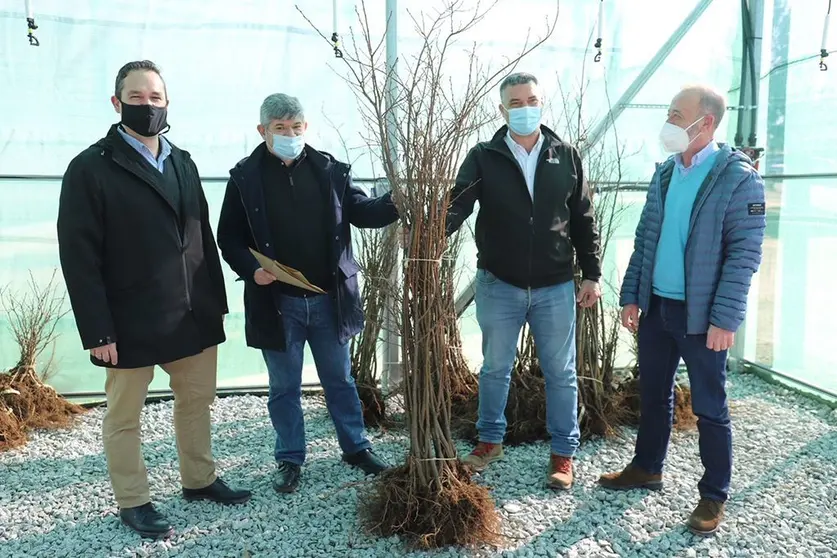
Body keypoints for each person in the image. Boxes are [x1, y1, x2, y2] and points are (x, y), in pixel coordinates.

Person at [56, 60, 251, 539]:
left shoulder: (182, 160)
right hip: (128, 320)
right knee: (124, 417)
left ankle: (199, 480)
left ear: (167, 102)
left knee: (196, 402)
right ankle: (134, 501)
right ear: (116, 101)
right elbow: (79, 257)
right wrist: (98, 331)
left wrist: (215, 304)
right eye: (137, 97)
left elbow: (200, 235)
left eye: (156, 98)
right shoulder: (90, 168)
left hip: (192, 313)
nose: (148, 105)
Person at [598, 85, 767, 536]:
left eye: (677, 114)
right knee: (653, 394)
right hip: (657, 308)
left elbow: (744, 255)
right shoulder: (666, 173)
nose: (669, 122)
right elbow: (646, 238)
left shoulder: (738, 178)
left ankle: (713, 496)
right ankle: (647, 467)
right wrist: (632, 295)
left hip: (702, 317)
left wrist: (724, 319)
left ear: (705, 123)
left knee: (711, 407)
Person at [216, 93, 399, 494]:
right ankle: (290, 458)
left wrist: (397, 201)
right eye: (280, 129)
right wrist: (252, 271)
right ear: (262, 131)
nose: (290, 135)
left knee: (340, 379)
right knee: (284, 386)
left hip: (329, 298)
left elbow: (363, 212)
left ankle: (355, 447)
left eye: (296, 128)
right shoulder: (245, 178)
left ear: (306, 128)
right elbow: (227, 237)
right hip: (277, 301)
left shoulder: (329, 170)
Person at [445, 72, 602, 489]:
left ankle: (563, 451)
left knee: (561, 371)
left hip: (554, 284)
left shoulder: (564, 154)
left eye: (531, 100)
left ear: (541, 103)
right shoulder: (484, 155)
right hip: (500, 282)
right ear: (502, 110)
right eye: (515, 103)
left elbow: (582, 217)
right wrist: (430, 229)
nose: (524, 108)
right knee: (496, 367)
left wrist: (592, 274)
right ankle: (489, 441)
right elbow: (458, 204)